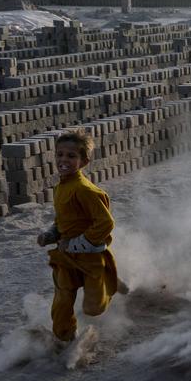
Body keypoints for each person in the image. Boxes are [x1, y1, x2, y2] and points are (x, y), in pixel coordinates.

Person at [36, 130, 122, 342]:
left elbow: (106, 223)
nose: (63, 160)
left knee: (93, 309)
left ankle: (110, 280)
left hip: (90, 257)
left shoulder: (85, 190)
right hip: (65, 258)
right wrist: (51, 234)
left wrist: (76, 244)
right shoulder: (60, 188)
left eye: (71, 156)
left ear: (84, 161)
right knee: (63, 299)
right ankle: (66, 340)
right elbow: (64, 218)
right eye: (60, 154)